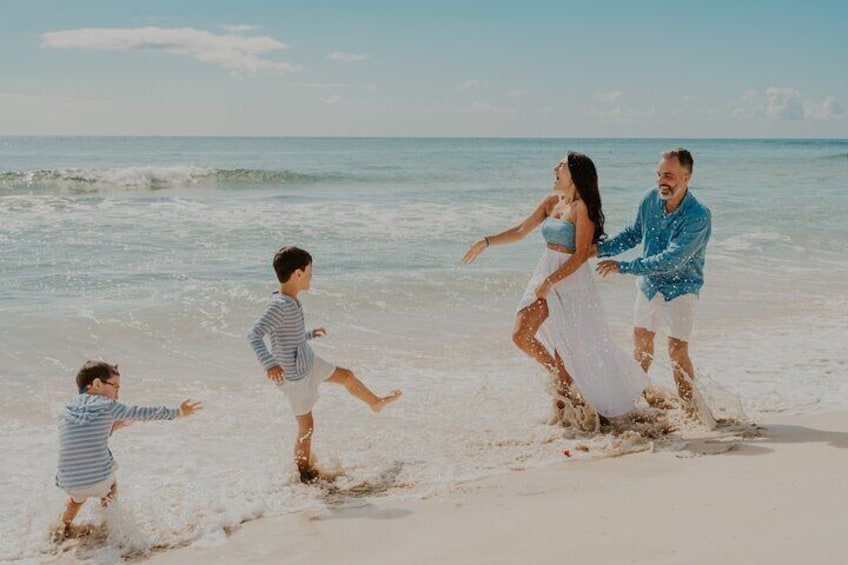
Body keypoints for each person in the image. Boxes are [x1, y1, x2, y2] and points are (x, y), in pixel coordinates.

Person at [462, 152, 649, 431]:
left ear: (573, 173)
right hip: (545, 271)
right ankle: (560, 380)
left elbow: (581, 255)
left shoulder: (582, 208)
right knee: (520, 335)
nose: (554, 168)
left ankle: (566, 420)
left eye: (560, 165)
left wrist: (552, 281)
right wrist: (486, 241)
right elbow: (520, 230)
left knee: (568, 350)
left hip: (570, 281)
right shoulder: (551, 203)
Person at [247, 246, 402, 484]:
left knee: (347, 376)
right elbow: (254, 334)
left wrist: (309, 334)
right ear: (298, 273)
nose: (312, 275)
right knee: (306, 427)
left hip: (308, 361)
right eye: (310, 271)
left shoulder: (291, 301)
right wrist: (269, 363)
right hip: (294, 377)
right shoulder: (279, 305)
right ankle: (304, 474)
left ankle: (375, 403)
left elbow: (290, 336)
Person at [595, 148, 714, 426]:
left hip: (682, 288)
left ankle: (691, 411)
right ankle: (632, 404)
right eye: (660, 174)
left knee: (676, 350)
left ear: (686, 177)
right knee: (642, 343)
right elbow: (633, 234)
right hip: (649, 285)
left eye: (669, 175)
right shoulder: (650, 198)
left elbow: (672, 260)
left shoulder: (698, 215)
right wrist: (597, 250)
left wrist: (622, 266)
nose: (662, 180)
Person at [54, 360, 202, 539]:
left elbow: (87, 435)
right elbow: (143, 412)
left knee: (76, 498)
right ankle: (111, 524)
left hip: (69, 480)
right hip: (97, 479)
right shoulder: (107, 405)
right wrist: (177, 412)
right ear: (97, 384)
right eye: (115, 387)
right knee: (110, 486)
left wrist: (116, 426)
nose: (117, 394)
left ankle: (62, 528)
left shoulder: (66, 409)